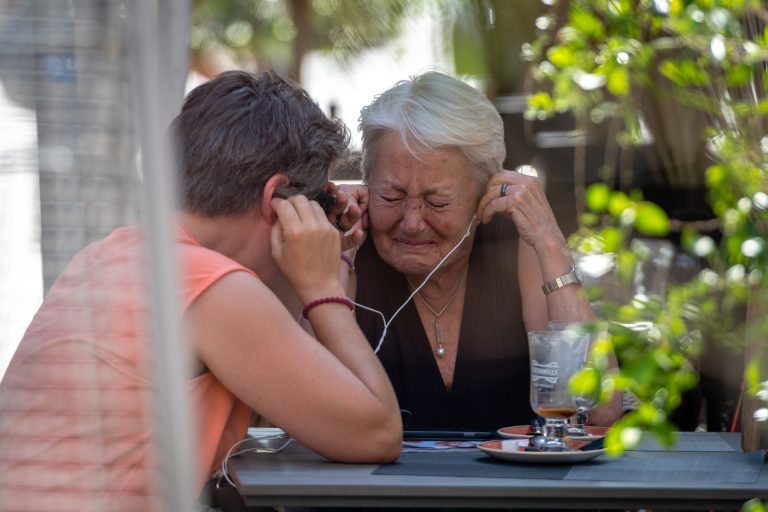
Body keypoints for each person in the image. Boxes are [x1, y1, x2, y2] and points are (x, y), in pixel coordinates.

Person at [0, 70, 401, 511]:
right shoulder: (212, 288)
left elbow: (306, 385)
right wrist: (323, 283)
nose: (323, 216)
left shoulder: (120, 254)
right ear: (276, 199)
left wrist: (334, 257)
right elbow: (376, 433)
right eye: (317, 204)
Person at [342, 71, 622, 432]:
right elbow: (310, 411)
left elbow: (597, 410)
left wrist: (550, 242)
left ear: (484, 195)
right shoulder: (347, 248)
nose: (411, 222)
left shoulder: (516, 247)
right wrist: (335, 252)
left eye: (437, 201)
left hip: (517, 488)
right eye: (390, 196)